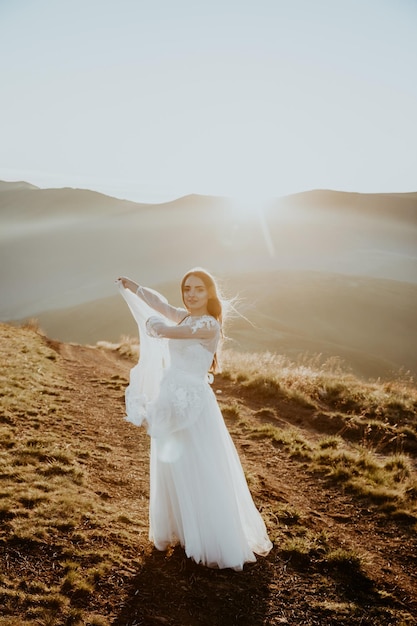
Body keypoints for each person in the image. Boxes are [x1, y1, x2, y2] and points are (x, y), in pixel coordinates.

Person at [116, 268, 272, 570]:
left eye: (199, 289)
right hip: (170, 397)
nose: (191, 294)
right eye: (187, 288)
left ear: (209, 293)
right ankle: (185, 529)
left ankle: (211, 537)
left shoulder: (208, 325)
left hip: (193, 404)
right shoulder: (186, 317)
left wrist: (150, 321)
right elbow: (162, 306)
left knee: (199, 466)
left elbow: (164, 328)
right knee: (173, 466)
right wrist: (135, 288)